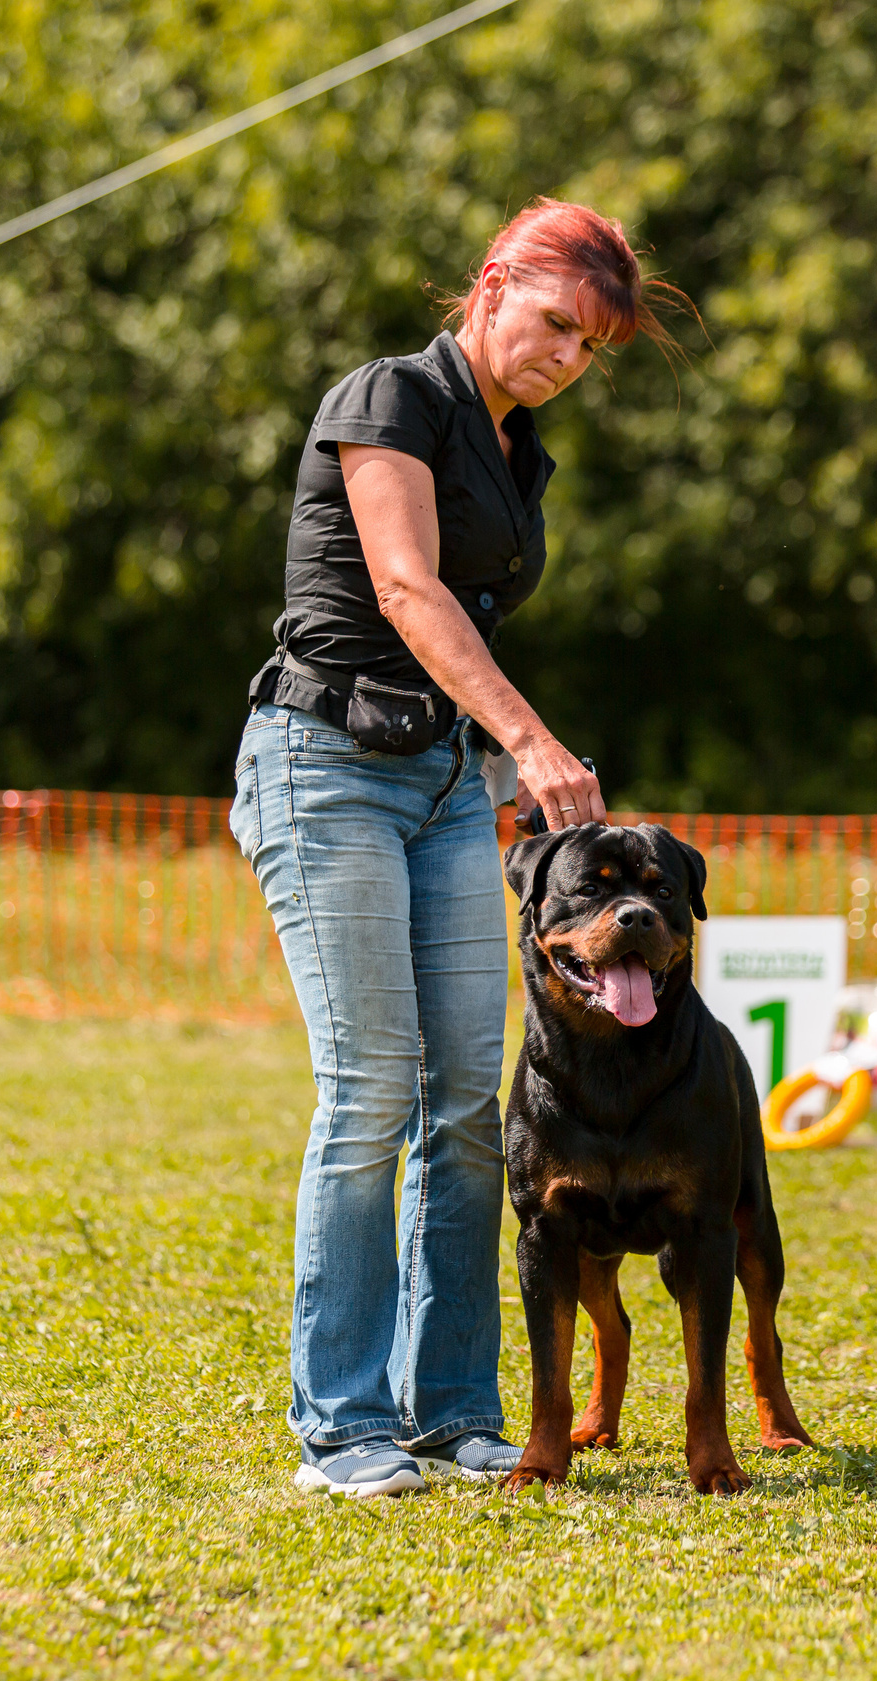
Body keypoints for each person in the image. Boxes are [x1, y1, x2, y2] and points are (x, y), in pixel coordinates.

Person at [228, 200, 689, 1496]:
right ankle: (345, 1431)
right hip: (324, 770)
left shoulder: (515, 451)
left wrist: (490, 772)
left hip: (438, 786)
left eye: (588, 349)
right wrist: (535, 744)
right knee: (373, 1087)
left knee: (466, 1110)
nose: (564, 360)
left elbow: (466, 622)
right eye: (553, 324)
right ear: (491, 287)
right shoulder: (387, 397)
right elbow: (407, 592)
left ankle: (452, 1413)